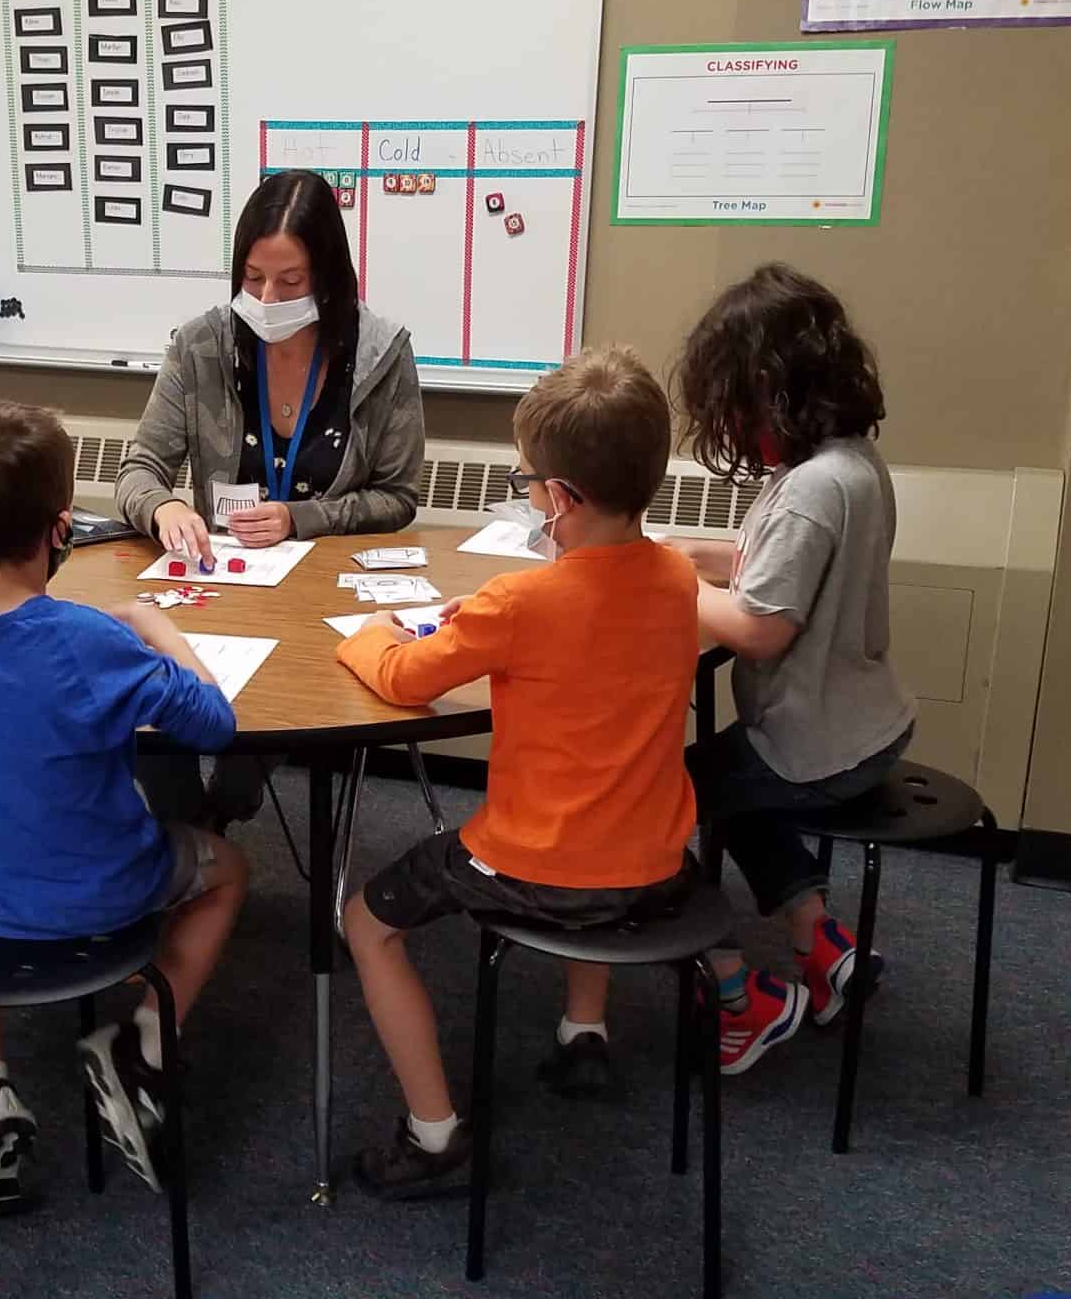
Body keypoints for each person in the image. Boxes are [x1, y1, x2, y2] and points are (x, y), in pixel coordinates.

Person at [0, 400, 249, 1217]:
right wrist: (155, 628)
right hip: (107, 894)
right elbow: (215, 723)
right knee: (230, 870)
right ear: (63, 526)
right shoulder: (93, 642)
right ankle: (142, 1043)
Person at [333, 348, 700, 1198]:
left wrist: (372, 632)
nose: (529, 494)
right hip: (654, 861)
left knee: (365, 922)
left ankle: (432, 1135)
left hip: (538, 867)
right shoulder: (677, 578)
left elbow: (403, 678)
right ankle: (583, 1033)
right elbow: (595, 632)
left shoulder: (519, 602)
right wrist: (489, 620)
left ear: (561, 498)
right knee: (602, 805)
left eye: (528, 481)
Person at [114, 169, 426, 832]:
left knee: (277, 702)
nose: (266, 297)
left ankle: (224, 810)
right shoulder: (201, 345)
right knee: (138, 679)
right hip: (218, 584)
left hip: (318, 597)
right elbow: (139, 469)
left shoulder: (380, 354)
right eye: (253, 278)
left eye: (290, 281)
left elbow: (398, 496)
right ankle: (187, 824)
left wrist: (300, 518)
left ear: (328, 276)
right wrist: (165, 508)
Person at [668, 263, 914, 1076]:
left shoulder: (811, 489)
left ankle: (741, 998)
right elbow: (762, 561)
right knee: (728, 780)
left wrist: (664, 581)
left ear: (766, 390)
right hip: (862, 723)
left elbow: (760, 628)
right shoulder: (851, 463)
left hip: (815, 745)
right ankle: (824, 946)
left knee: (653, 803)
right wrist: (677, 550)